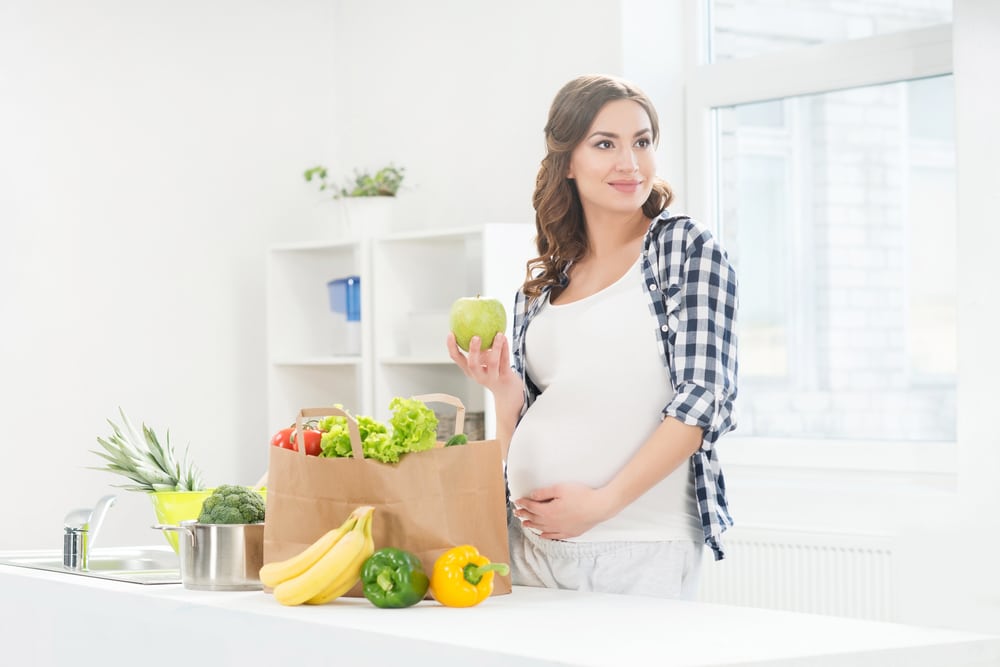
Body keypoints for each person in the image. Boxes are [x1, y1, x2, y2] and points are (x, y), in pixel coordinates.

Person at [446, 74, 738, 599]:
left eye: (642, 142)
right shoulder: (544, 282)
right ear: (568, 162)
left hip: (636, 544)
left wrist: (602, 503)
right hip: (528, 545)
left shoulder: (684, 250)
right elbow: (541, 415)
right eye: (605, 144)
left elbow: (703, 400)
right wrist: (506, 393)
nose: (630, 163)